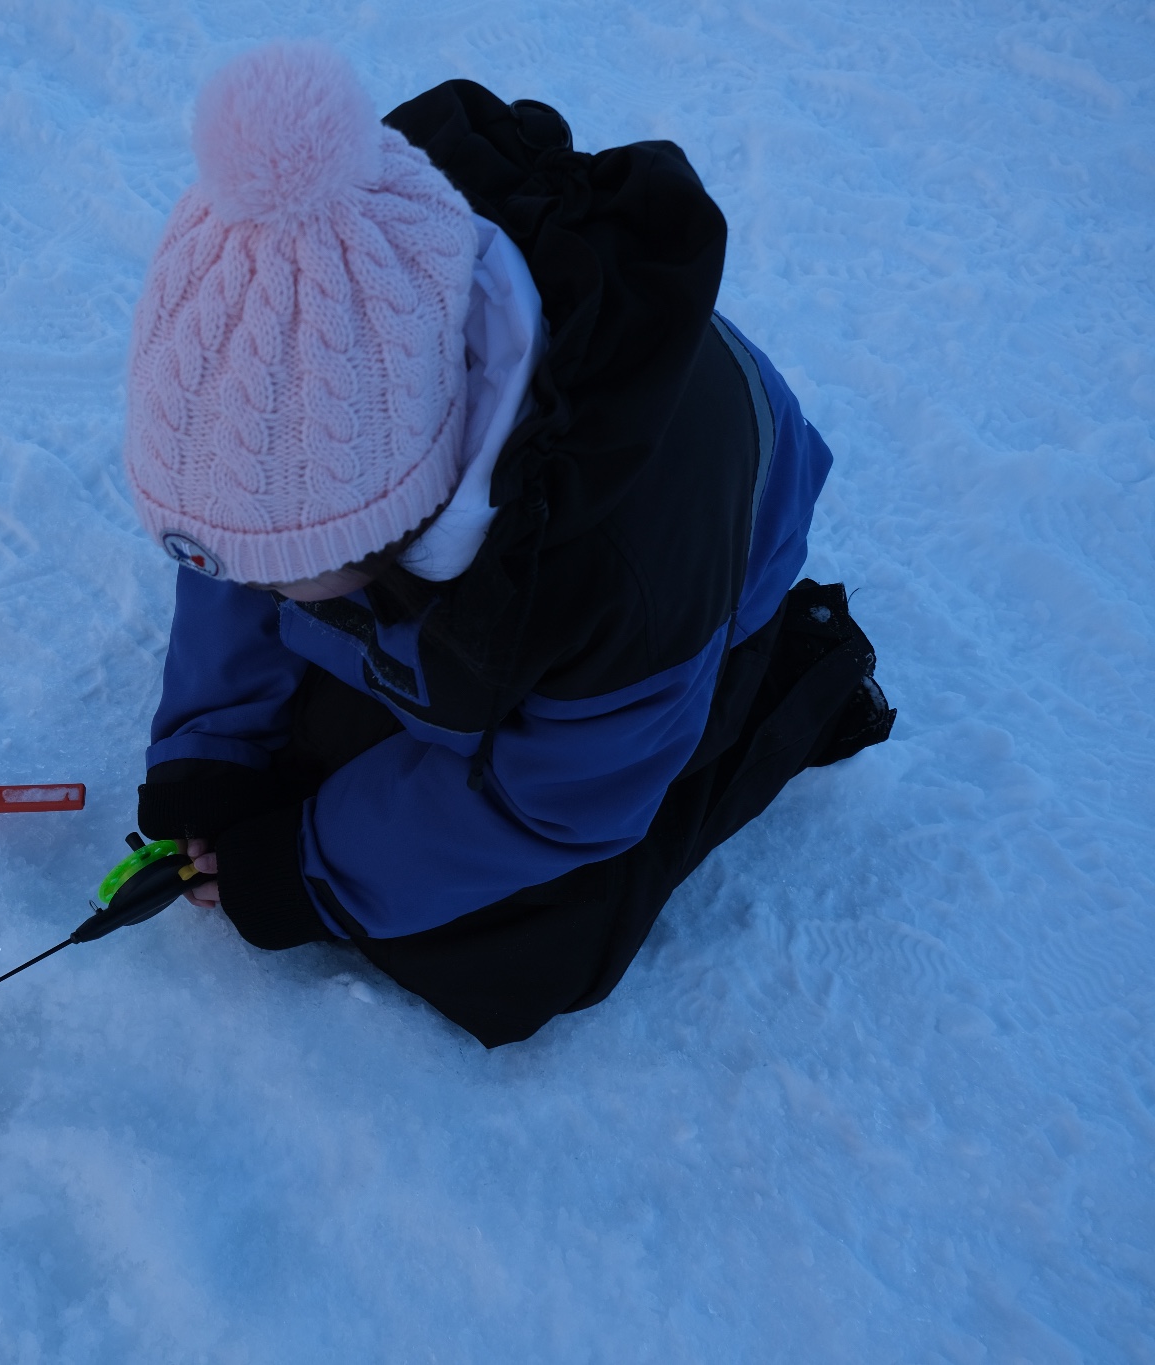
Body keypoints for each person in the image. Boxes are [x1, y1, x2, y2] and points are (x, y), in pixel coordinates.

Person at [122, 44, 895, 1047]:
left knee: (516, 953)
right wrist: (210, 748)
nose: (251, 589)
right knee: (307, 763)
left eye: (278, 573)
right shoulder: (311, 366)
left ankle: (786, 677)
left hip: (688, 591)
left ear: (391, 518)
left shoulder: (616, 576)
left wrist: (304, 872)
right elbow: (237, 551)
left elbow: (555, 807)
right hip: (463, 547)